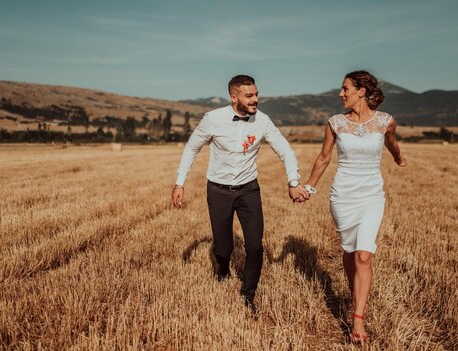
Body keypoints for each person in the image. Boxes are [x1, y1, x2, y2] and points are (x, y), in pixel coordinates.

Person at [171, 75, 308, 313]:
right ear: (234, 97)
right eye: (249, 95)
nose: (255, 99)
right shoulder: (213, 119)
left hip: (248, 190)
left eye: (256, 94)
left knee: (255, 246)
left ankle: (248, 295)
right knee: (223, 249)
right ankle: (222, 268)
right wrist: (179, 183)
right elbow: (192, 148)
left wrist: (293, 181)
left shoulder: (263, 121)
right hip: (218, 190)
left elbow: (285, 150)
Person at [301, 71, 406, 344]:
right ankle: (356, 294)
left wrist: (398, 157)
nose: (340, 94)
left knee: (363, 255)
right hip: (343, 196)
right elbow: (324, 158)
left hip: (372, 196)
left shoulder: (386, 122)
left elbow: (392, 144)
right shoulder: (335, 123)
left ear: (362, 91)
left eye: (345, 88)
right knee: (349, 251)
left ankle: (357, 318)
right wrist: (309, 187)